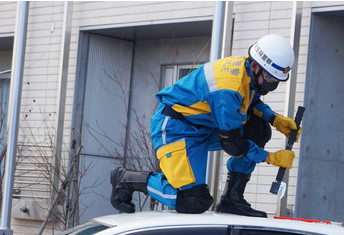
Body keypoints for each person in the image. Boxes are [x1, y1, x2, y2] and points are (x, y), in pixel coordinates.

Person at [110, 34, 301, 217]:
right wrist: (270, 158)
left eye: (275, 80)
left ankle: (232, 199)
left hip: (203, 125)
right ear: (254, 65)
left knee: (258, 128)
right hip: (175, 128)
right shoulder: (228, 88)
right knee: (193, 201)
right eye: (269, 78)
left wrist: (274, 119)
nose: (271, 84)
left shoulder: (247, 72)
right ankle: (126, 179)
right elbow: (233, 144)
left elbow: (250, 101)